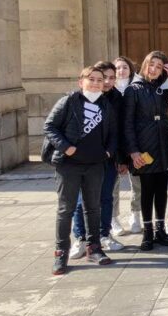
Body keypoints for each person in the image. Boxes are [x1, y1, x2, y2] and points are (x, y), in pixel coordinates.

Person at [45, 66, 118, 275]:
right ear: (81, 81)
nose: (96, 83)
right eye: (91, 79)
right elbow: (50, 126)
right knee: (66, 209)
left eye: (99, 80)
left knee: (93, 207)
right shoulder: (69, 101)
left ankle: (94, 248)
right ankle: (61, 253)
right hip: (68, 165)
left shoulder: (106, 105)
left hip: (95, 165)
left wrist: (108, 153)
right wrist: (66, 147)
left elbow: (113, 133)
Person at [123, 50, 168, 250]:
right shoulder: (133, 90)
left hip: (163, 145)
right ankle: (147, 233)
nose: (154, 69)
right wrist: (133, 151)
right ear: (145, 64)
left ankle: (160, 230)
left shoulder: (162, 90)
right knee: (147, 190)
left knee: (161, 190)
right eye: (152, 64)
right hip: (144, 147)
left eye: (159, 66)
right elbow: (127, 123)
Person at [70, 61, 124, 259]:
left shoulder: (116, 100)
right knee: (80, 200)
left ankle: (103, 235)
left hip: (105, 159)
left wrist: (112, 154)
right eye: (103, 78)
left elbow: (118, 131)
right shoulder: (74, 100)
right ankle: (81, 238)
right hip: (80, 160)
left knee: (106, 197)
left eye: (111, 78)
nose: (107, 82)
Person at [112, 56, 141, 235]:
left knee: (137, 183)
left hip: (135, 143)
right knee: (113, 185)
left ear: (130, 69)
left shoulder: (137, 88)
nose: (121, 71)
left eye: (124, 67)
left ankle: (135, 214)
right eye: (118, 68)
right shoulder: (108, 91)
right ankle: (113, 218)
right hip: (115, 145)